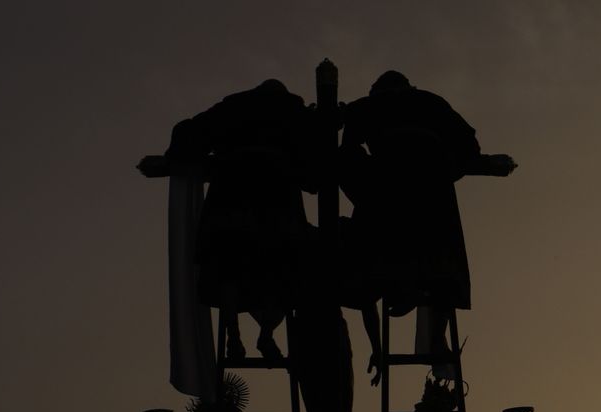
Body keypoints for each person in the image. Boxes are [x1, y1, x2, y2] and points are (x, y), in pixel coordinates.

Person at [340, 71, 515, 378]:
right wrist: (455, 166)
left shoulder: (367, 107)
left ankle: (407, 292)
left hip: (391, 192)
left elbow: (347, 154)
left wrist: (365, 187)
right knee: (444, 269)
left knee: (389, 256)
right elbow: (467, 145)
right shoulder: (431, 102)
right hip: (433, 194)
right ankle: (432, 330)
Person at [166, 79, 315, 364]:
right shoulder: (295, 114)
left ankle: (233, 335)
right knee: (284, 272)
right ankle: (266, 335)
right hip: (276, 203)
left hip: (231, 201)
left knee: (229, 268)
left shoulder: (232, 108)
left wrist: (176, 158)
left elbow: (188, 131)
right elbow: (314, 167)